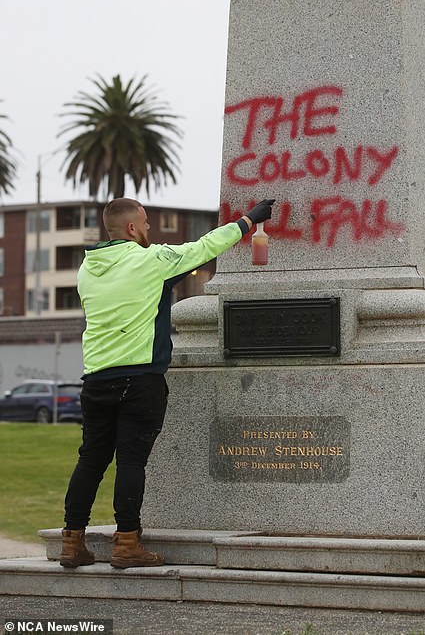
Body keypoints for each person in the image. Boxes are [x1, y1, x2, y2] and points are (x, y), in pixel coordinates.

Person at [59, 197, 274, 570]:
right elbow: (203, 248)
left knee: (91, 459)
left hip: (95, 377)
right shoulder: (151, 260)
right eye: (145, 222)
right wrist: (248, 221)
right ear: (131, 229)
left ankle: (72, 541)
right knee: (130, 461)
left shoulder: (87, 270)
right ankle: (127, 544)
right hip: (139, 378)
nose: (149, 228)